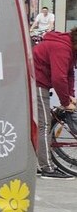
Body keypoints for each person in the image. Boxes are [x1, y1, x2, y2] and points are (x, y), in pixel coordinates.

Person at [31, 22, 74, 177]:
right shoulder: (63, 48)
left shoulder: (70, 47)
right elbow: (58, 78)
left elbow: (69, 74)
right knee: (44, 124)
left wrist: (70, 96)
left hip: (40, 80)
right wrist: (65, 102)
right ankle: (46, 167)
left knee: (42, 124)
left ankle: (37, 161)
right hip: (37, 81)